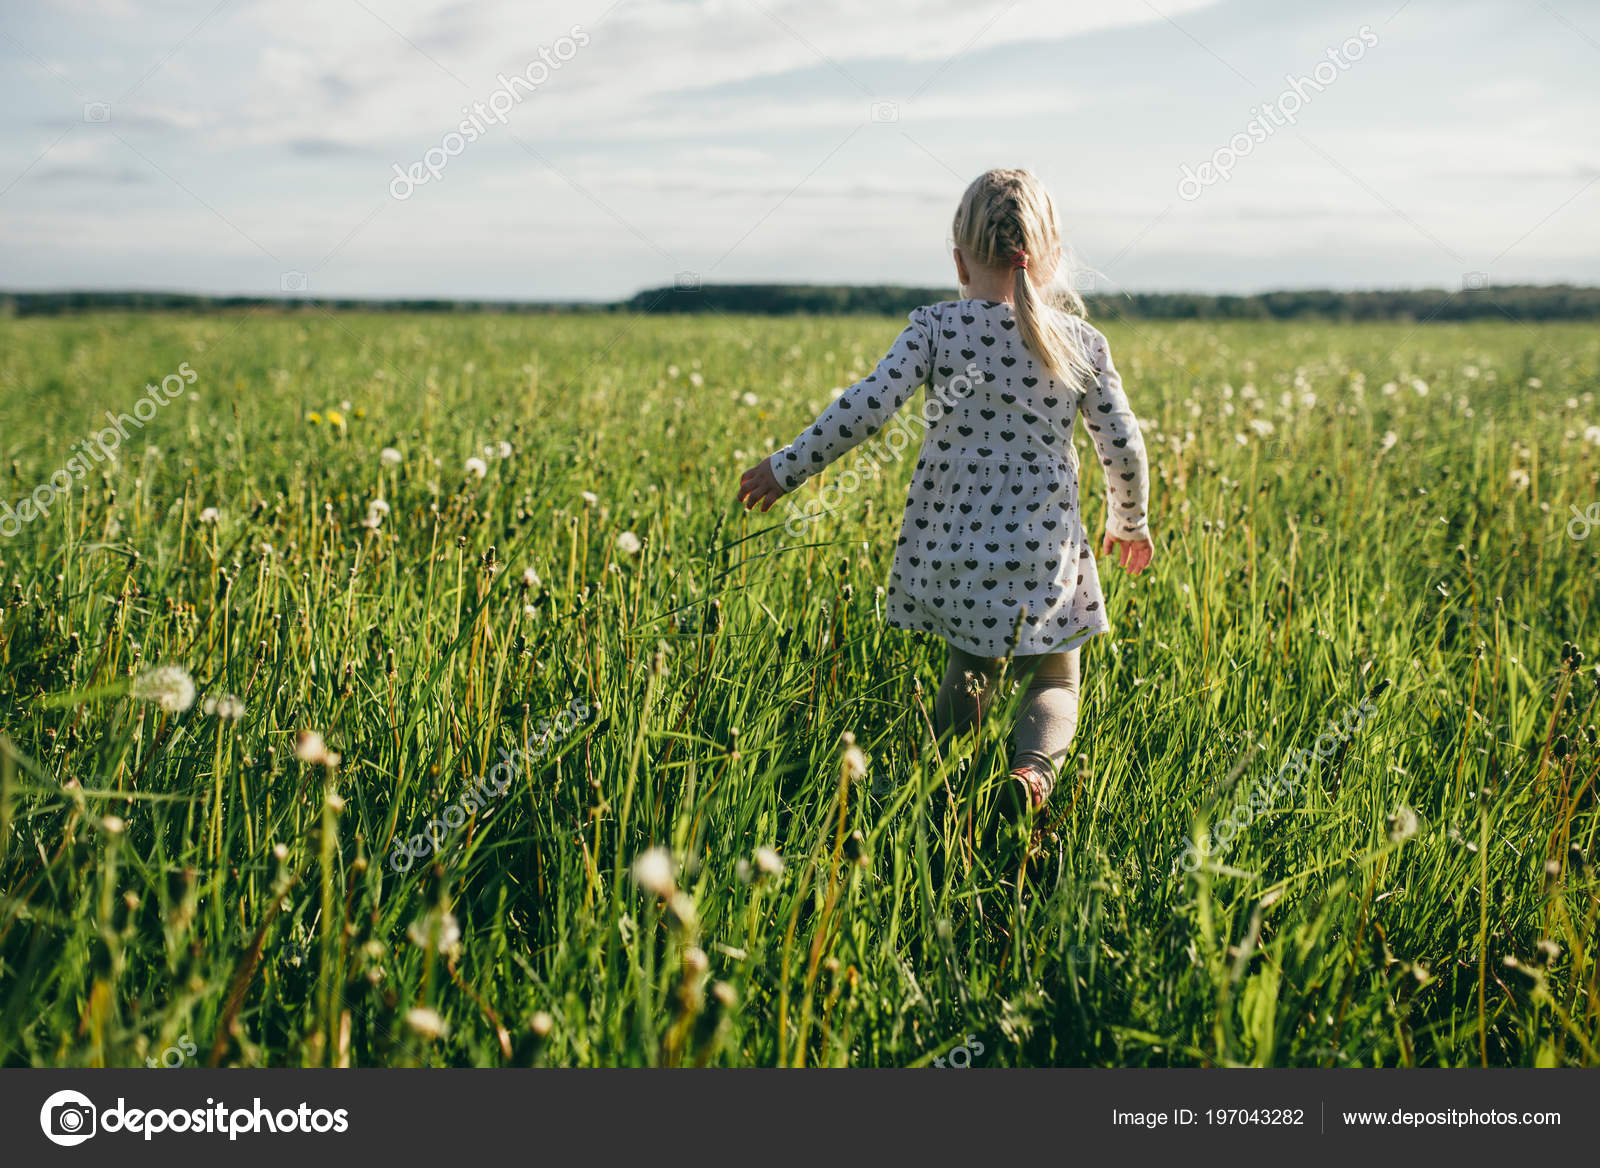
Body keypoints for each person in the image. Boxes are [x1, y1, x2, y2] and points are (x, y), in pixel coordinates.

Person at [738, 168, 1153, 812]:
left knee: (971, 668)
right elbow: (1121, 445)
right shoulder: (1081, 344)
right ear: (1054, 260)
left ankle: (934, 791)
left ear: (959, 261)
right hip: (1044, 550)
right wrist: (1128, 520)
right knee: (1055, 676)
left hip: (953, 548)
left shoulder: (935, 329)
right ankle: (1032, 776)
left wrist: (788, 467)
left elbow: (866, 408)